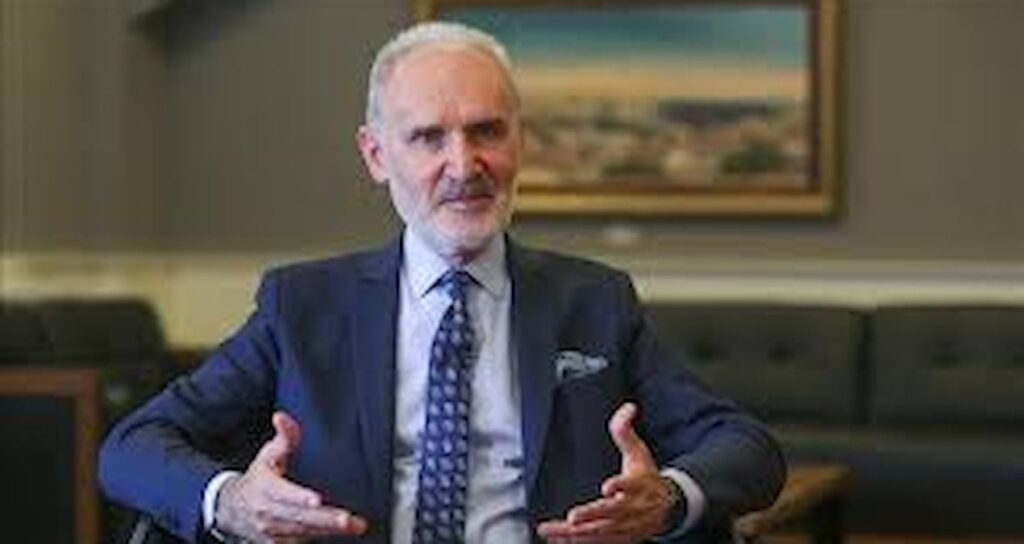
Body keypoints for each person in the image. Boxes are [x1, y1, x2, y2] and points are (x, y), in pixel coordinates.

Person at [99, 21, 785, 544]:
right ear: (376, 155)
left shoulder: (595, 302)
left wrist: (667, 498)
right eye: (429, 137)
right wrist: (231, 502)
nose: (464, 165)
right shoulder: (302, 306)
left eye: (487, 131)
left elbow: (747, 448)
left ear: (519, 140)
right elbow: (132, 446)